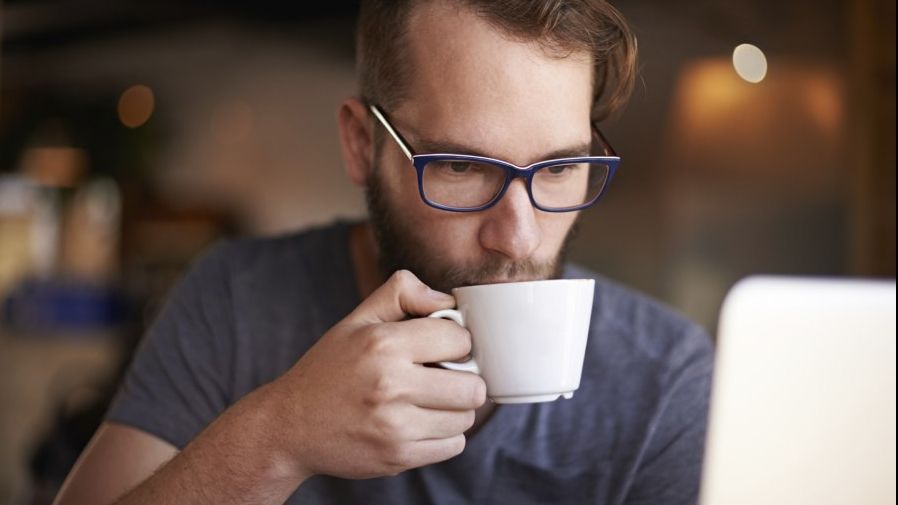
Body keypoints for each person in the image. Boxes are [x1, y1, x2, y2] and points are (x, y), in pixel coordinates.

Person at [54, 1, 714, 504]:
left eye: (558, 170)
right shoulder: (236, 300)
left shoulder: (663, 379)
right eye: (461, 167)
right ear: (362, 146)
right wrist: (279, 433)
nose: (517, 235)